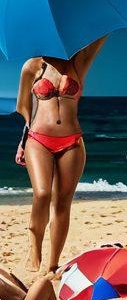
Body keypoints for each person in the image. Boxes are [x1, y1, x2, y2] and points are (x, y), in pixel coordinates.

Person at [15, 37, 106, 273]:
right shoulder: (32, 66)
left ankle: (53, 263)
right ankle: (35, 241)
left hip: (72, 141)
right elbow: (22, 105)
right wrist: (24, 138)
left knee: (63, 203)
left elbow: (99, 38)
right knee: (43, 193)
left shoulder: (78, 62)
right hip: (38, 138)